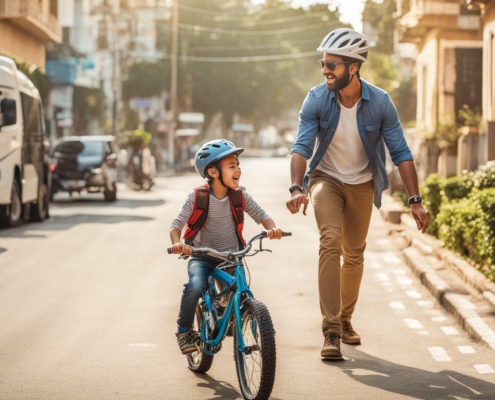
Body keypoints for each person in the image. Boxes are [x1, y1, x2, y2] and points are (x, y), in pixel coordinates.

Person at [286, 28, 430, 360]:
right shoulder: (317, 98)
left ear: (353, 67)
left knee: (354, 253)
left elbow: (401, 153)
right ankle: (332, 330)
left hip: (364, 183)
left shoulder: (380, 102)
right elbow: (301, 147)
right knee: (330, 241)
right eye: (322, 63)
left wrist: (415, 201)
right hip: (326, 179)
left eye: (331, 65)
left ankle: (346, 319)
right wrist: (297, 186)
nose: (324, 70)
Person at [170, 139, 284, 354]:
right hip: (202, 256)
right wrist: (177, 244)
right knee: (195, 286)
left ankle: (244, 318)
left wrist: (272, 229)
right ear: (213, 172)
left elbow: (262, 216)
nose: (238, 170)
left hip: (231, 257)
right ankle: (185, 332)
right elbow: (176, 225)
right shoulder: (197, 197)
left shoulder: (240, 196)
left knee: (240, 291)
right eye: (232, 166)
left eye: (238, 165)